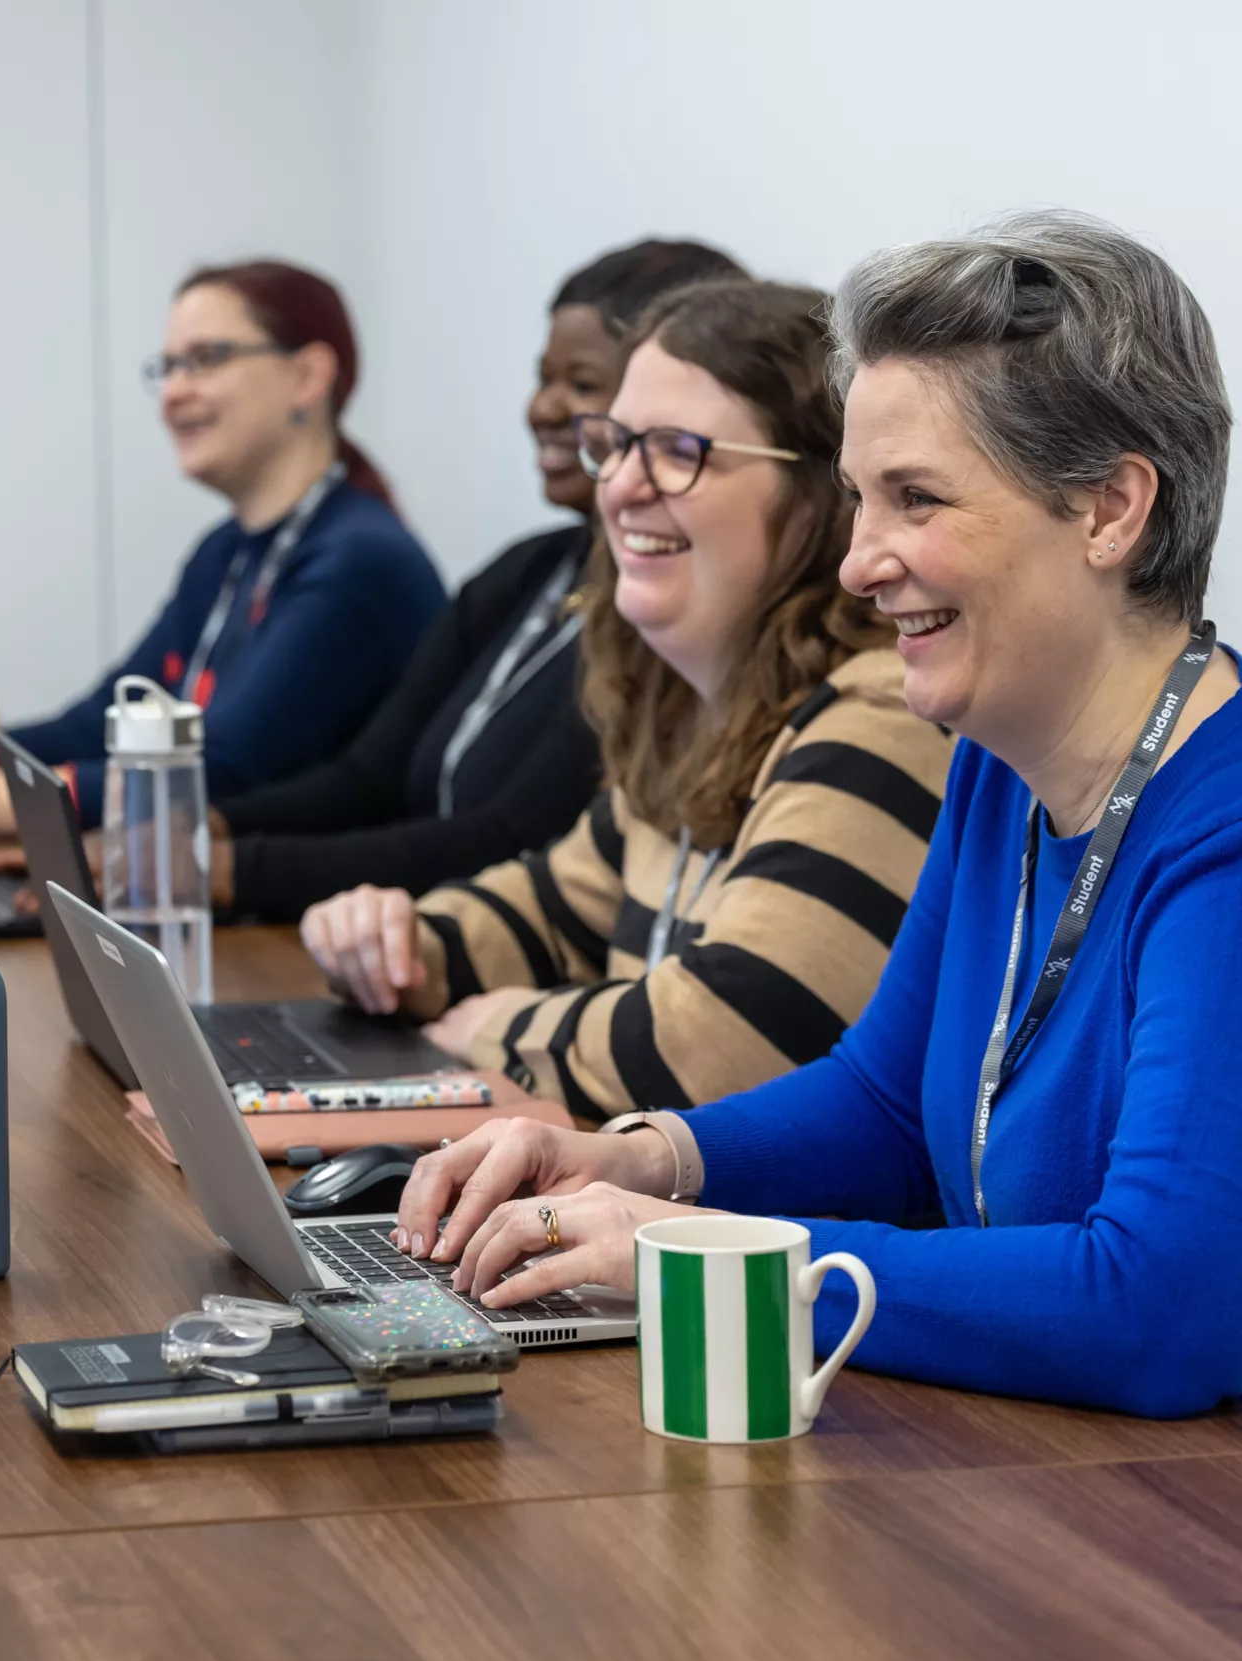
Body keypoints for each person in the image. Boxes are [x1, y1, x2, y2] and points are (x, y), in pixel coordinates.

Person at [388, 214, 1242, 1627]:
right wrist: (641, 1155)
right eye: (857, 499)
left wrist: (720, 1254)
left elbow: (1161, 1312)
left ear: (1111, 509)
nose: (858, 562)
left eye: (916, 498)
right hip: (1135, 1507)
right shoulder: (1004, 756)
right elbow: (890, 1103)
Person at [300, 280, 955, 1124]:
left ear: (821, 496)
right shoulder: (695, 710)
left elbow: (722, 1040)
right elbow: (554, 905)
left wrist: (498, 1030)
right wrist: (399, 945)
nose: (621, 488)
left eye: (680, 449)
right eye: (617, 443)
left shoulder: (883, 713)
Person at [0, 259, 440, 829]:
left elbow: (219, 773)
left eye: (207, 359)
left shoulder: (359, 563)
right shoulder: (225, 553)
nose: (173, 392)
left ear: (309, 377)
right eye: (167, 366)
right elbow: (95, 726)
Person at [205, 239, 744, 921]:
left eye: (582, 385)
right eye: (543, 377)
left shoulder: (663, 611)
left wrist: (233, 870)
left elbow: (511, 841)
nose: (542, 408)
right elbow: (369, 778)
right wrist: (206, 830)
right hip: (416, 944)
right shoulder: (527, 569)